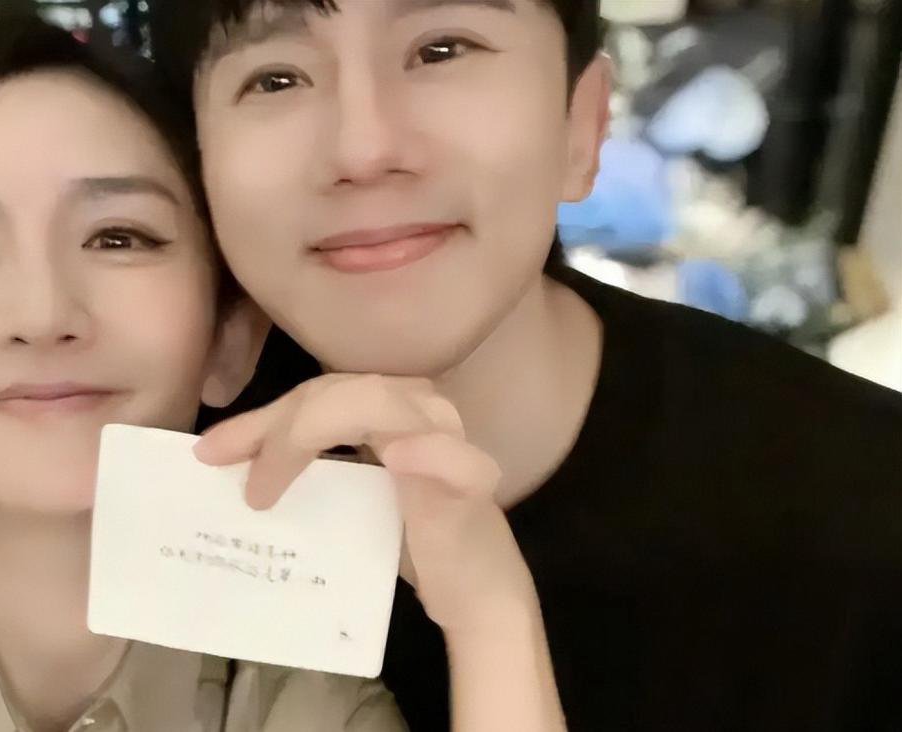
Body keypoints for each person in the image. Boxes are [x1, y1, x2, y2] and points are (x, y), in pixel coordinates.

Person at [0, 16, 568, 732]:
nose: (42, 314)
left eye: (118, 237)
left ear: (230, 337)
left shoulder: (294, 695)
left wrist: (490, 618)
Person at [147, 1, 902, 729]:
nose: (363, 150)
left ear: (583, 126)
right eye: (275, 79)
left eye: (442, 50)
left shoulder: (865, 519)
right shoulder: (151, 456)